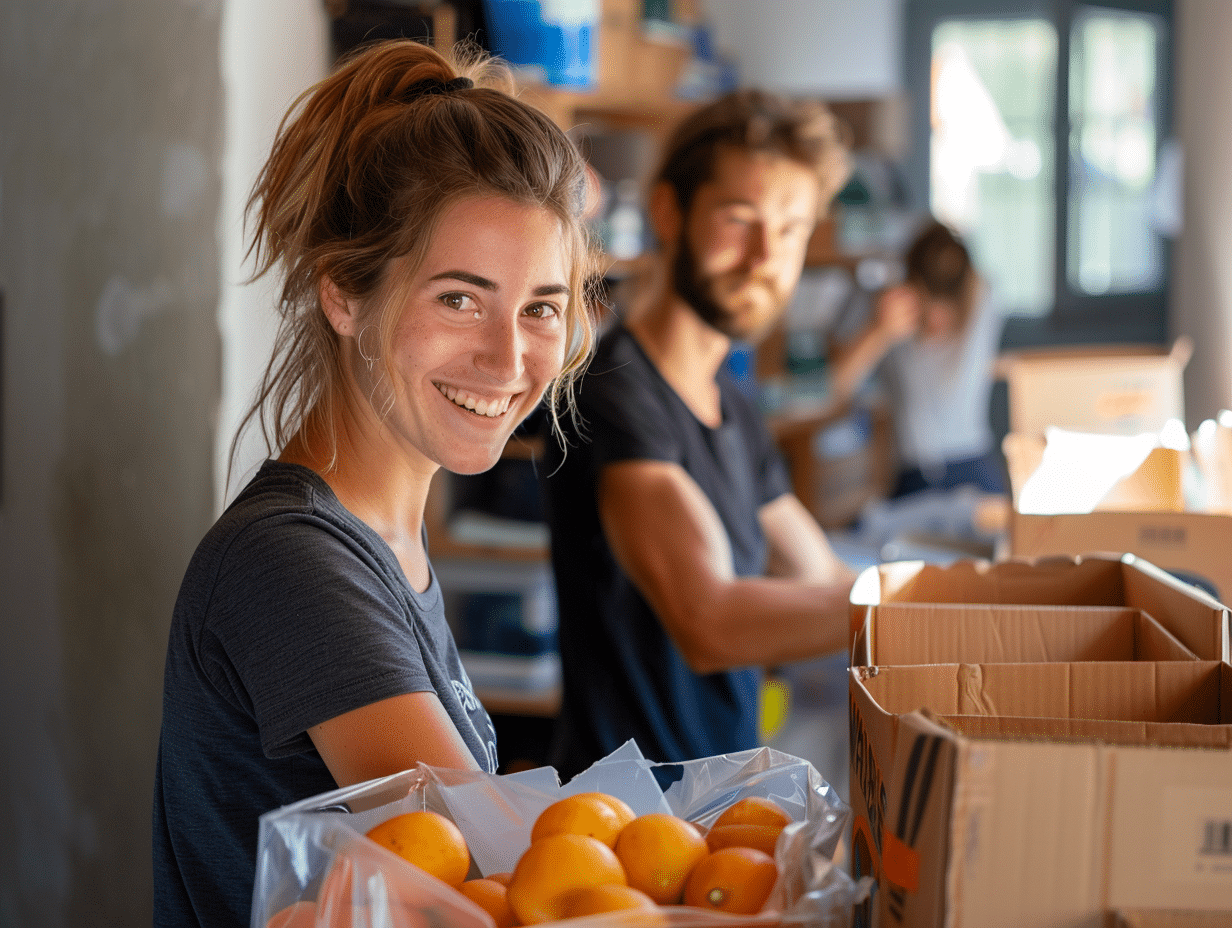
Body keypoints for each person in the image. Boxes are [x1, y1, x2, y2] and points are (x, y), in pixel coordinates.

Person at [152, 40, 596, 928]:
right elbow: (473, 877)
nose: (509, 360)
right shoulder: (293, 563)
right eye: (460, 299)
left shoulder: (385, 540)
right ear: (344, 295)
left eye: (541, 307)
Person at [539, 89, 857, 780]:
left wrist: (950, 601)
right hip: (622, 820)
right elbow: (710, 619)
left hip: (714, 808)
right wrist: (909, 609)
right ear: (669, 213)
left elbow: (821, 577)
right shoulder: (613, 391)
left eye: (792, 229)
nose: (765, 255)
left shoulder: (733, 409)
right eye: (739, 218)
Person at [827, 218, 1008, 500]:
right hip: (913, 476)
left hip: (975, 466)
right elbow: (835, 387)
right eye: (928, 304)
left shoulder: (983, 300)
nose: (938, 319)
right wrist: (878, 331)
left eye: (948, 308)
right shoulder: (887, 318)